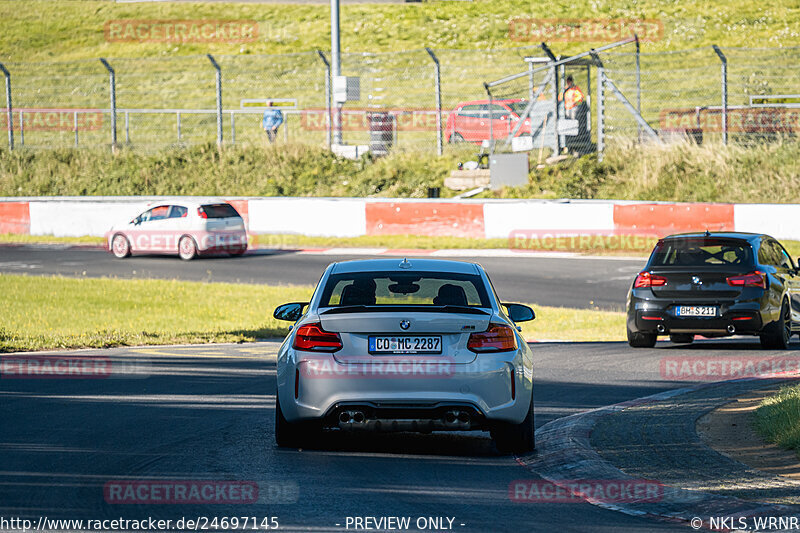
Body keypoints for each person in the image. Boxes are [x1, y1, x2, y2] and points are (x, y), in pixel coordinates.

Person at [559, 75, 590, 153]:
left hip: (573, 109)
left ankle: (575, 138)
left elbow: (581, 97)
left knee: (573, 122)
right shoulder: (565, 90)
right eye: (568, 81)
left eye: (570, 81)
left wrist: (575, 103)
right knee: (566, 123)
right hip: (566, 109)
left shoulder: (575, 89)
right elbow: (560, 98)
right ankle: (567, 139)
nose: (569, 83)